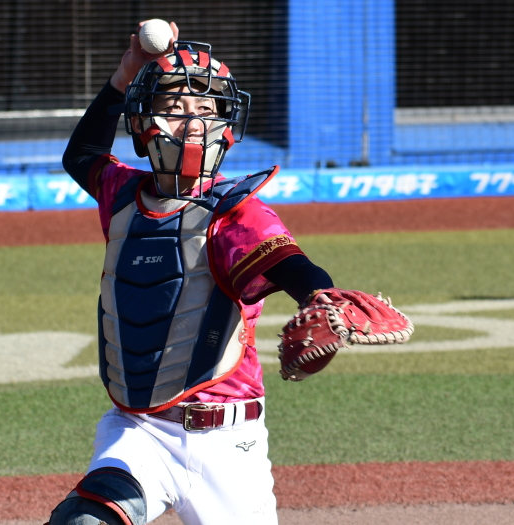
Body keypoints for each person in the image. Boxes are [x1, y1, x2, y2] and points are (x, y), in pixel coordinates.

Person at [48, 21, 338, 525]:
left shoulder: (235, 210)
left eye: (206, 109)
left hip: (227, 443)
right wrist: (125, 73)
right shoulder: (123, 195)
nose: (193, 121)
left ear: (226, 126)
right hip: (138, 433)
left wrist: (320, 295)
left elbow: (289, 263)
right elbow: (82, 155)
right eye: (175, 107)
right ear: (143, 124)